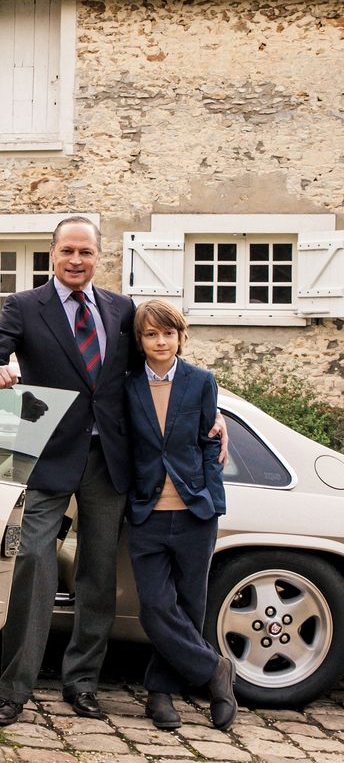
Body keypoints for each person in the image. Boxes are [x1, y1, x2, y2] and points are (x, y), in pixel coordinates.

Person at [0, 217, 226, 727]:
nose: (76, 260)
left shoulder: (120, 309)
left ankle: (82, 683)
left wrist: (210, 412)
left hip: (111, 461)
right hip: (48, 453)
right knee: (35, 566)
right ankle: (13, 689)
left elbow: (152, 372)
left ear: (97, 255)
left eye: (85, 251)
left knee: (97, 577)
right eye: (67, 251)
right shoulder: (24, 306)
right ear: (52, 254)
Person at [125, 300, 236, 732]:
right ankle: (215, 671)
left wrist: (211, 493)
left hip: (194, 512)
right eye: (151, 335)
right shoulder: (128, 384)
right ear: (141, 341)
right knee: (155, 606)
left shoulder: (201, 382)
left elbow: (210, 440)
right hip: (146, 511)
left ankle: (160, 694)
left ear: (180, 337)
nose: (160, 342)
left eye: (167, 334)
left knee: (189, 607)